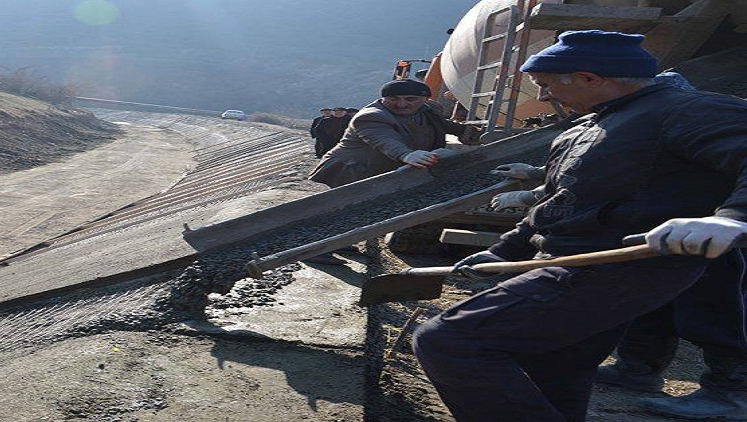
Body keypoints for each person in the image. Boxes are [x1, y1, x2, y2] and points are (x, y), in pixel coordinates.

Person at [410, 29, 747, 422]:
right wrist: (503, 251)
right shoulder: (583, 130)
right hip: (573, 263)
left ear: (590, 78)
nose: (544, 97)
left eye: (547, 85)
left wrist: (733, 218)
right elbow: (559, 206)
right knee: (554, 368)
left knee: (450, 340)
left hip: (616, 270)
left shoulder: (686, 111)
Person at [307, 79, 478, 188]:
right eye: (394, 99)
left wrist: (478, 135)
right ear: (383, 99)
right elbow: (384, 140)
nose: (401, 104)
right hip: (351, 171)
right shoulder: (371, 117)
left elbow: (451, 127)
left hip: (387, 169)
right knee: (346, 211)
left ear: (424, 100)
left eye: (410, 99)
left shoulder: (428, 111)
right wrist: (407, 155)